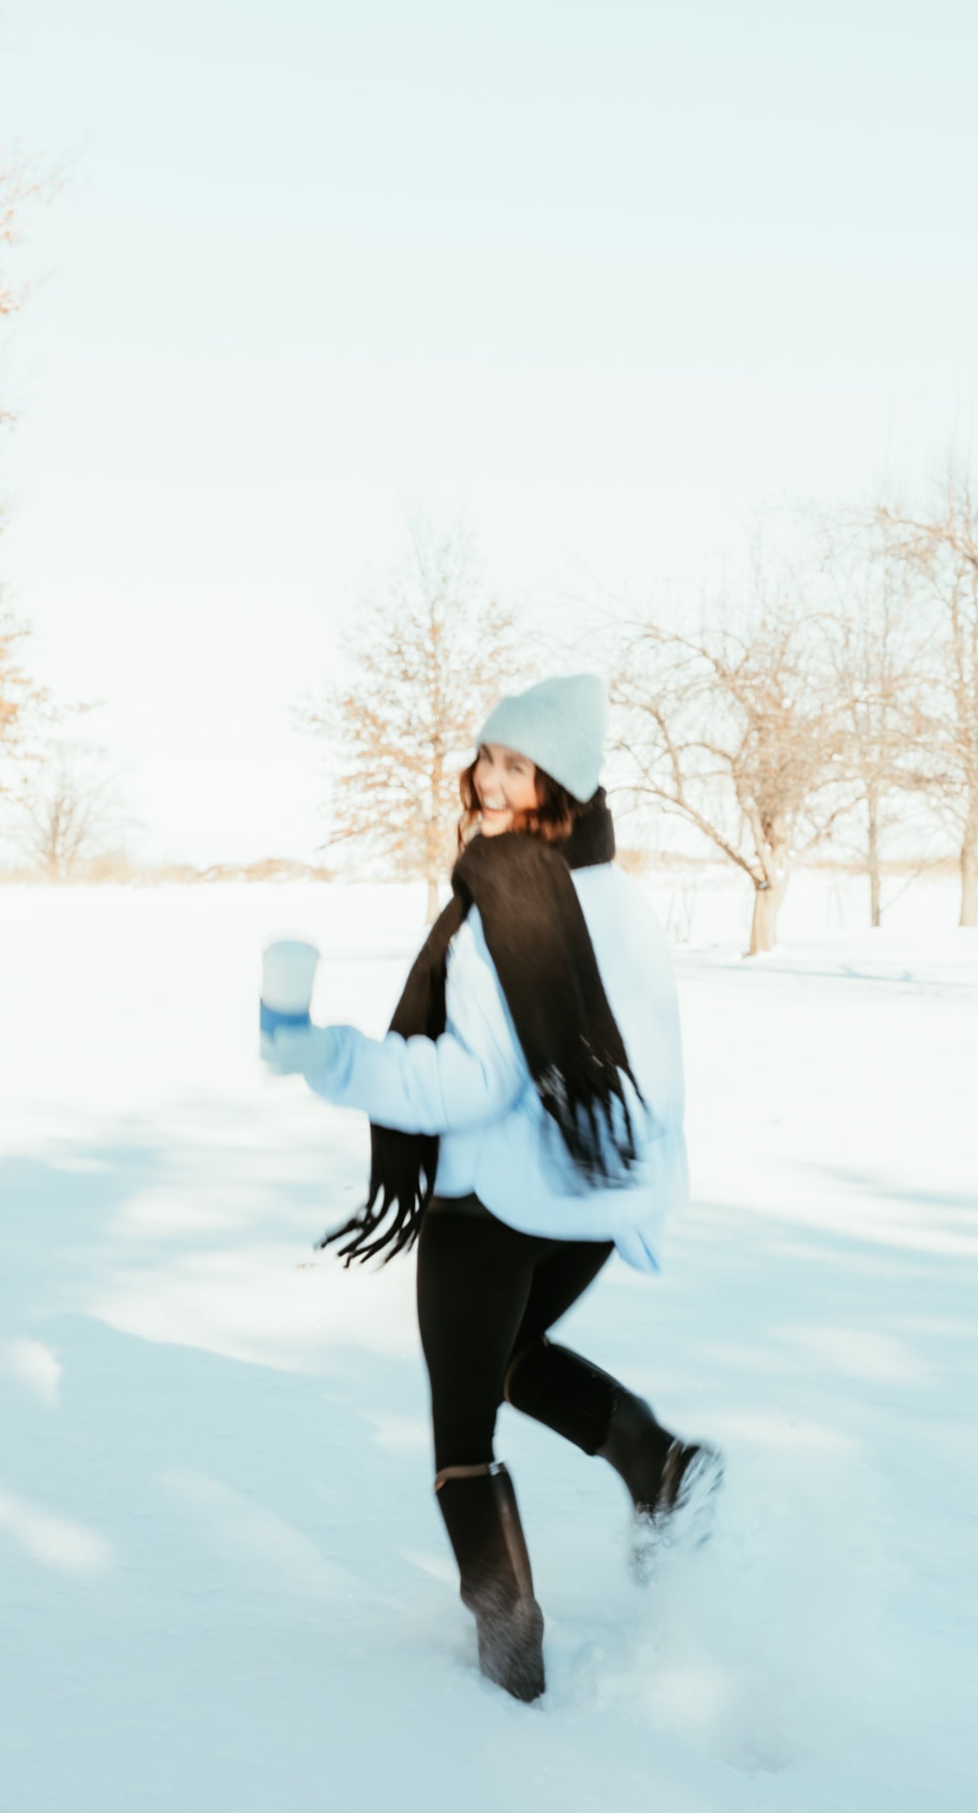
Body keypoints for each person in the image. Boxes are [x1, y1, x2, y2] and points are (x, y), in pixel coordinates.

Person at [261, 673, 721, 1703]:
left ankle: (508, 1658)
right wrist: (632, 1172)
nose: (491, 777)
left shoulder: (508, 895)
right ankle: (658, 1464)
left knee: (463, 1436)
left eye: (520, 763)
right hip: (594, 1198)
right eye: (489, 755)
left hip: (497, 1206)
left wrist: (324, 1053)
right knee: (514, 1359)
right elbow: (649, 1059)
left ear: (563, 783)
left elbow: (472, 1081)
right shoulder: (620, 897)